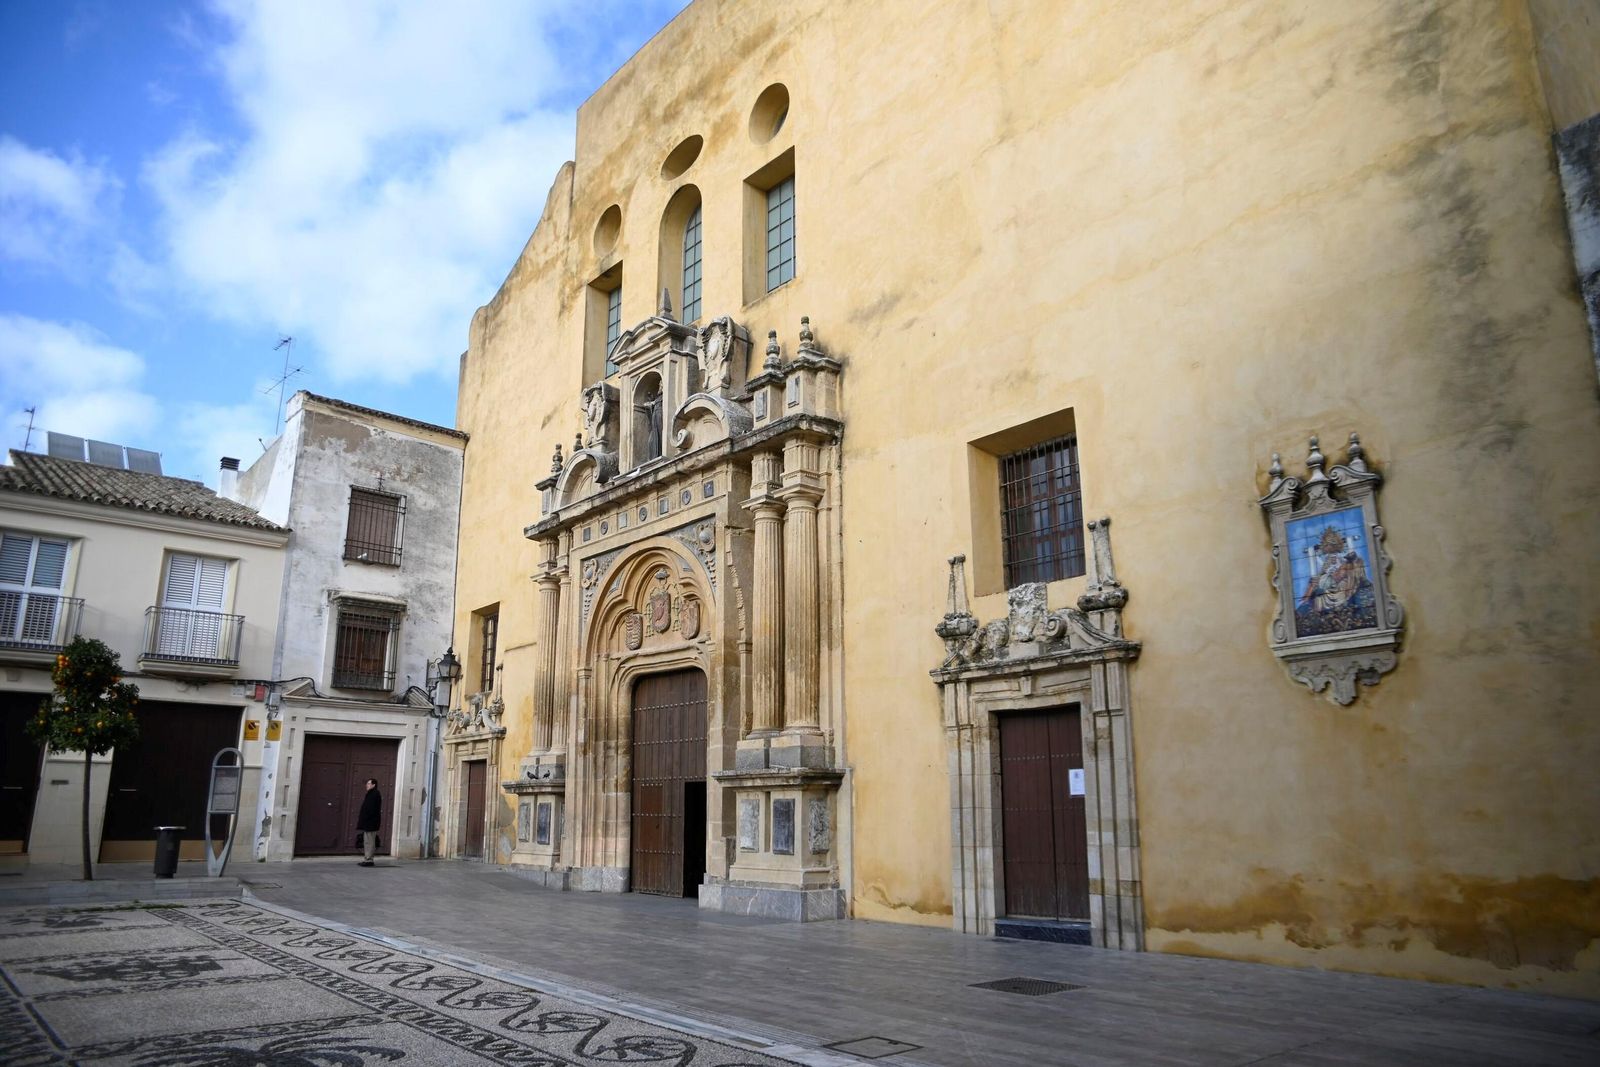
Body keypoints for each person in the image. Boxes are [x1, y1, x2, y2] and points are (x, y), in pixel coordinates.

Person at [356, 778, 382, 867]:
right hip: (368, 822)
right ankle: (367, 859)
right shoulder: (370, 794)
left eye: (368, 783)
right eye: (367, 783)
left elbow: (372, 809)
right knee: (367, 842)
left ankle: (369, 860)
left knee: (370, 842)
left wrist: (367, 818)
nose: (366, 785)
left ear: (373, 785)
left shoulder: (375, 794)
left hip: (371, 822)